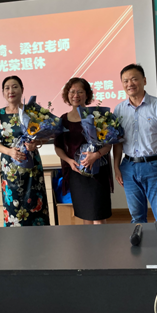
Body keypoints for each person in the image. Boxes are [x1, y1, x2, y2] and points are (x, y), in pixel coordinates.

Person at [113, 64, 157, 223]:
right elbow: (118, 142)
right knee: (136, 216)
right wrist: (116, 167)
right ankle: (140, 240)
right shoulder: (119, 110)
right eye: (125, 81)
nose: (130, 84)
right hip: (129, 167)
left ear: (144, 80)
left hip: (156, 166)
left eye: (134, 79)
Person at [0, 76, 50, 227]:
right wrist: (9, 151)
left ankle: (40, 238)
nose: (11, 91)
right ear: (3, 92)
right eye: (7, 88)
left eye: (15, 87)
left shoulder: (32, 112)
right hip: (10, 168)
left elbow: (47, 136)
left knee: (36, 205)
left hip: (32, 167)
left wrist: (36, 143)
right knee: (13, 208)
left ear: (22, 89)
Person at [54, 78, 113, 225]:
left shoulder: (97, 116)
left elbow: (108, 145)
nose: (76, 95)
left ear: (87, 95)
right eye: (72, 92)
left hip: (97, 172)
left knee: (98, 216)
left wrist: (96, 155)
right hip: (76, 172)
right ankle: (89, 241)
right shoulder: (63, 119)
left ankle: (103, 241)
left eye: (80, 92)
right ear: (67, 95)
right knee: (85, 215)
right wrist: (69, 161)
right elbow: (58, 147)